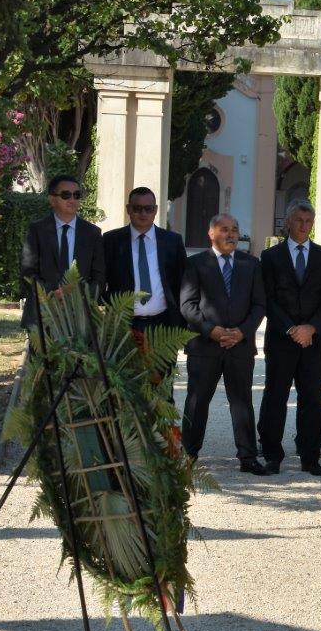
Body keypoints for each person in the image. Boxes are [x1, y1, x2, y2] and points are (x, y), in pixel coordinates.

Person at [179, 213, 268, 474]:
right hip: (204, 346)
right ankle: (189, 455)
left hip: (240, 345)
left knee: (241, 402)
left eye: (235, 229)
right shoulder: (195, 264)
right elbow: (188, 305)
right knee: (197, 401)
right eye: (225, 229)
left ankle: (248, 457)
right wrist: (211, 331)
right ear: (211, 233)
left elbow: (259, 304)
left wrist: (242, 332)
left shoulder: (251, 264)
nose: (231, 234)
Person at [257, 200, 321, 476]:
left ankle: (310, 456)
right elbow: (266, 299)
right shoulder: (270, 257)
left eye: (308, 221)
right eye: (299, 220)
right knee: (275, 397)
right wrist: (292, 329)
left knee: (312, 399)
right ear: (288, 222)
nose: (304, 226)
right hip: (282, 339)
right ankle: (271, 455)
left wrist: (311, 328)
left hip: (314, 341)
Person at [21, 174, 105, 327]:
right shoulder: (37, 230)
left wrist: (81, 295)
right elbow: (28, 273)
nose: (72, 199)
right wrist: (53, 292)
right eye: (66, 195)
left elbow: (99, 278)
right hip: (43, 315)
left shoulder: (93, 233)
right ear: (52, 200)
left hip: (81, 317)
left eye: (77, 195)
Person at [101, 187, 187, 332]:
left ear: (156, 210)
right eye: (137, 208)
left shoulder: (172, 241)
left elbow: (183, 282)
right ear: (128, 209)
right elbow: (101, 278)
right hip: (123, 325)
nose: (143, 213)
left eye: (148, 208)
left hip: (164, 324)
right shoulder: (111, 240)